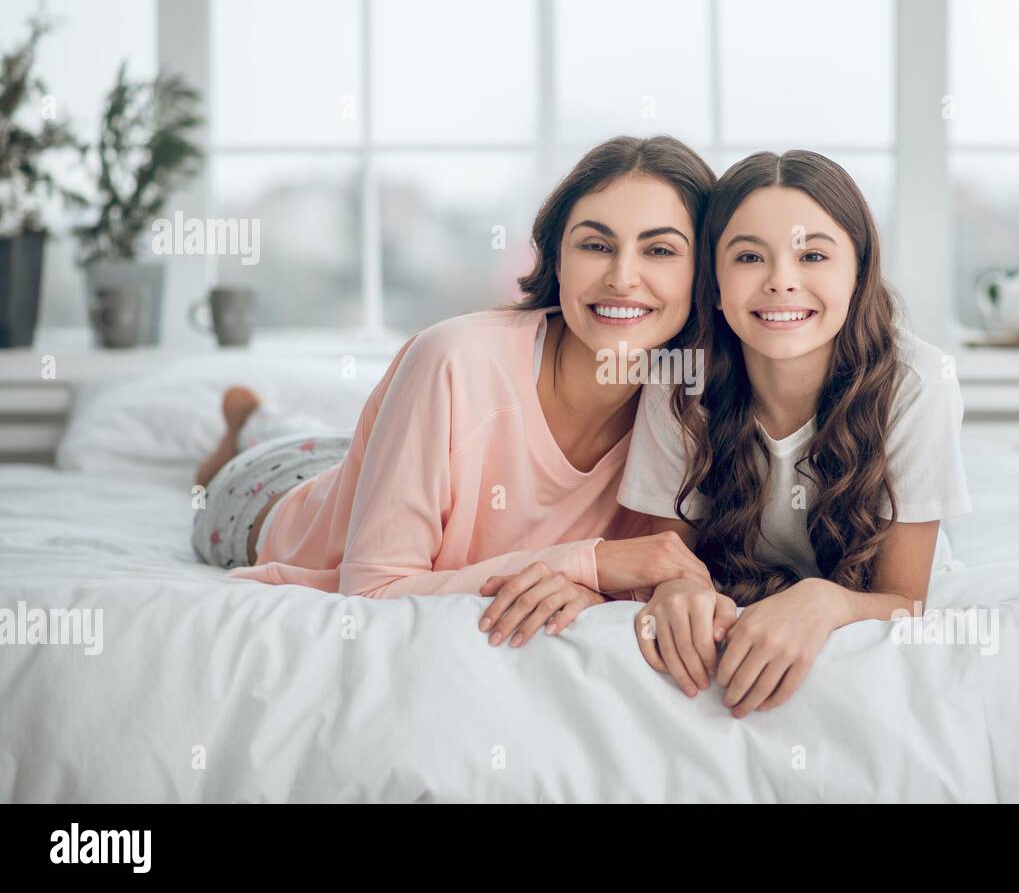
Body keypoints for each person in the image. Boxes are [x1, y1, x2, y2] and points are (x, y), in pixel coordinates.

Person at [189, 135, 716, 648]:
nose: (623, 277)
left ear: (701, 273)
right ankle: (245, 424)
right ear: (558, 260)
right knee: (235, 474)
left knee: (342, 450)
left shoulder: (696, 397)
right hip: (271, 497)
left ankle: (266, 420)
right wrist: (591, 563)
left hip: (376, 472)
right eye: (596, 245)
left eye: (661, 250)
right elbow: (374, 593)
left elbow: (657, 573)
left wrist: (591, 590)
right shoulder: (452, 358)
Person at [618, 150, 974, 717]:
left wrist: (822, 602)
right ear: (712, 282)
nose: (782, 281)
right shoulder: (676, 382)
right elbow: (672, 560)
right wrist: (676, 591)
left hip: (866, 580)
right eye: (750, 257)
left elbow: (905, 599)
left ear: (858, 275)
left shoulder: (919, 383)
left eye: (812, 255)